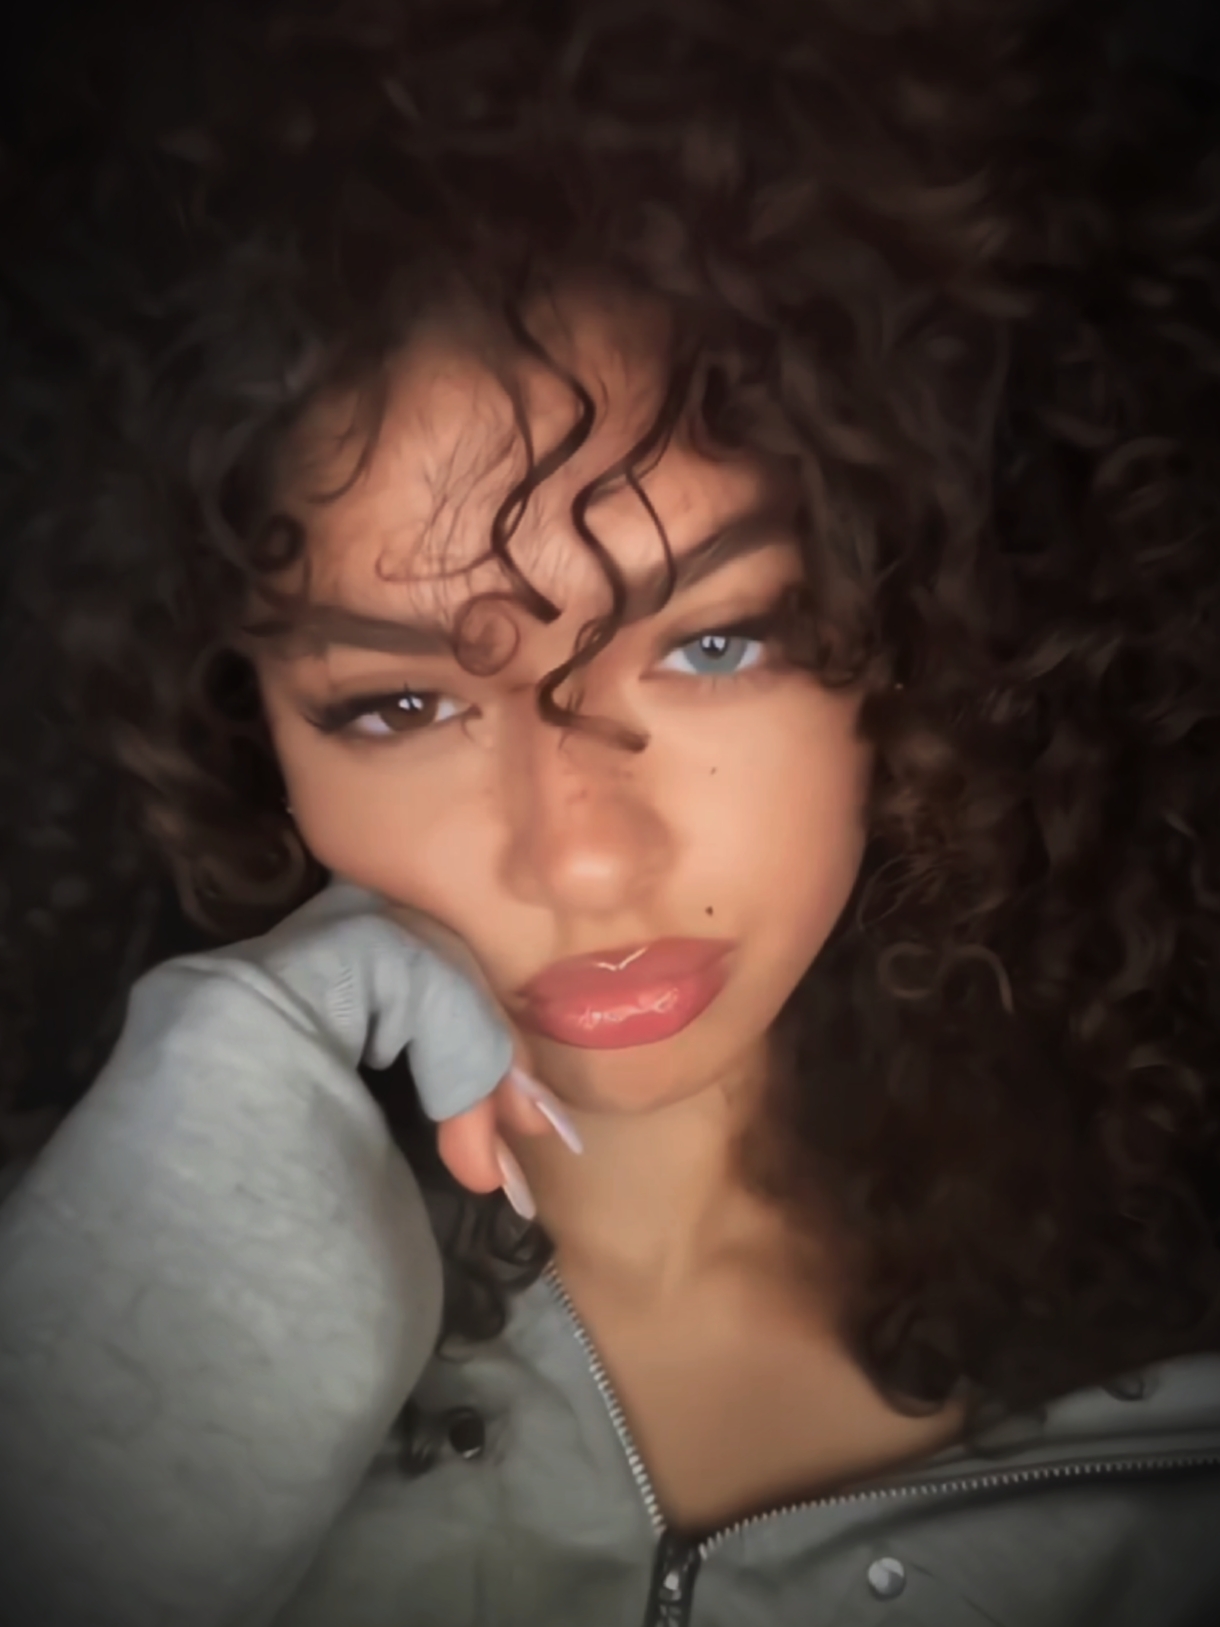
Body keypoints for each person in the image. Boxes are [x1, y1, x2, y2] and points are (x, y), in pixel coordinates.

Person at [2, 0, 1220, 1622]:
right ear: (247, 741)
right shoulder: (50, 1332)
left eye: (717, 643)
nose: (580, 854)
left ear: (923, 633)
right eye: (402, 705)